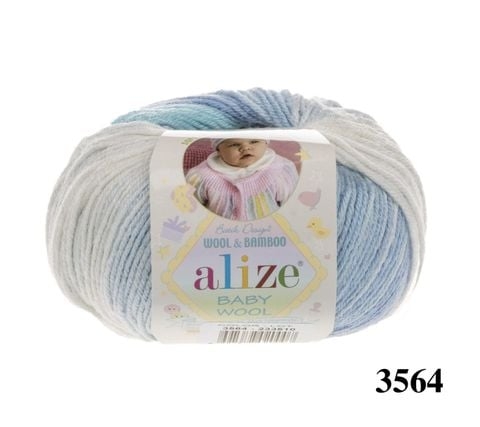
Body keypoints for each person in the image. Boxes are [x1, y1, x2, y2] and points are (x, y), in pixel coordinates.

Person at [186, 138, 298, 220]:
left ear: (266, 143)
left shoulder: (281, 169)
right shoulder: (202, 175)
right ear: (218, 150)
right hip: (221, 234)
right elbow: (189, 207)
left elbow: (292, 207)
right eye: (234, 144)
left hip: (268, 232)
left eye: (254, 141)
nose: (245, 148)